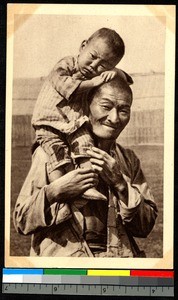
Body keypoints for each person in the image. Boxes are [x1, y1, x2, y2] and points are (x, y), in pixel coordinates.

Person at [13, 75, 157, 257]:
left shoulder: (128, 159)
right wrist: (56, 190)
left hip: (116, 265)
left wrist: (121, 184)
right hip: (65, 268)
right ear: (86, 105)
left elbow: (145, 227)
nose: (114, 118)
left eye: (123, 110)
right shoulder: (51, 154)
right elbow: (21, 220)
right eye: (105, 106)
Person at [32, 27, 133, 202]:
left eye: (104, 65)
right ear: (83, 46)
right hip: (49, 123)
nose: (94, 66)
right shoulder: (65, 65)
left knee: (85, 147)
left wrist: (116, 72)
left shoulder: (96, 75)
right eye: (93, 57)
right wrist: (94, 82)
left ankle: (87, 186)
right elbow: (65, 87)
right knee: (57, 154)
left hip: (72, 124)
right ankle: (61, 189)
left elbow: (127, 79)